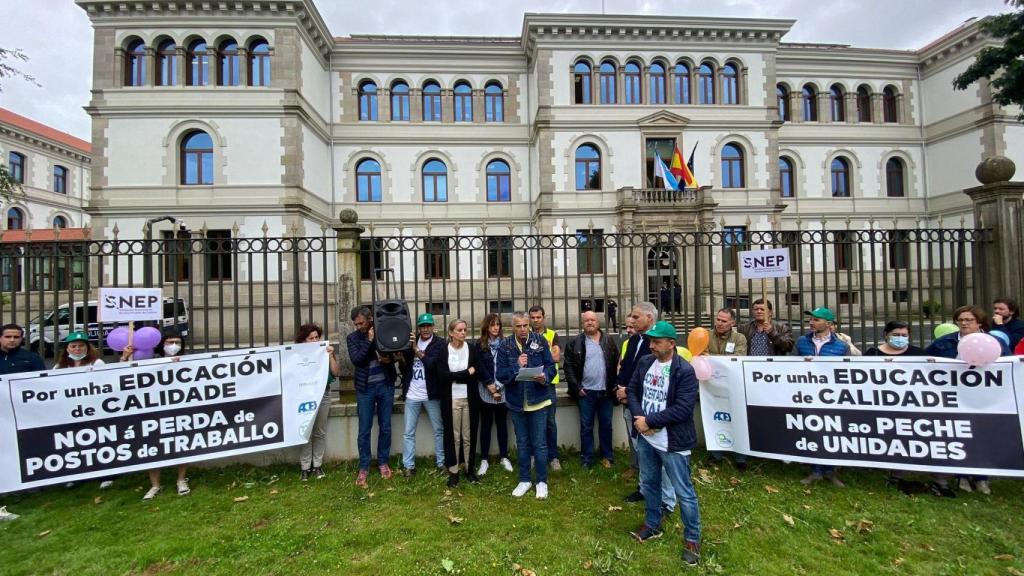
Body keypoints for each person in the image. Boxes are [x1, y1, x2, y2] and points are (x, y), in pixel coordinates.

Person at [627, 320, 702, 567]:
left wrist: (649, 420)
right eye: (650, 341)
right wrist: (640, 419)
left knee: (684, 491)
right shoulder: (646, 362)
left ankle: (692, 539)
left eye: (657, 342)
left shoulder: (684, 371)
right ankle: (652, 523)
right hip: (647, 438)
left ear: (672, 343)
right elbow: (634, 390)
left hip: (672, 441)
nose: (652, 345)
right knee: (649, 483)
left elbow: (682, 408)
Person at [925, 305, 1009, 495]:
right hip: (952, 398)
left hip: (983, 399)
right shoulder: (944, 343)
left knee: (981, 436)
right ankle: (962, 475)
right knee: (958, 436)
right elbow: (925, 362)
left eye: (968, 320)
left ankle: (981, 478)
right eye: (960, 320)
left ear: (979, 322)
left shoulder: (994, 342)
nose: (964, 323)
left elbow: (1008, 364)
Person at [617, 302, 677, 517]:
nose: (631, 321)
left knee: (661, 458)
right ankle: (644, 489)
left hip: (650, 409)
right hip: (630, 405)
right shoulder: (634, 340)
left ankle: (667, 501)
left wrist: (629, 393)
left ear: (650, 319)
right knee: (642, 452)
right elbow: (626, 369)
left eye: (636, 317)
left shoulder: (657, 347)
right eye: (631, 316)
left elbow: (655, 380)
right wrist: (620, 388)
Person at [123, 328, 192, 500]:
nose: (173, 346)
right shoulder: (149, 359)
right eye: (169, 342)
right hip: (153, 408)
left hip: (178, 407)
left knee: (181, 442)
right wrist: (125, 358)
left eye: (177, 342)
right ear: (162, 344)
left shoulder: (188, 359)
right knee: (152, 445)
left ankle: (181, 479)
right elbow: (127, 374)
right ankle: (155, 485)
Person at [496, 311, 556, 499]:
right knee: (522, 443)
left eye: (525, 325)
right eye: (518, 326)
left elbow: (551, 366)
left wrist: (544, 377)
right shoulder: (505, 346)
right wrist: (517, 366)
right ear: (512, 327)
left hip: (538, 400)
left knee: (539, 444)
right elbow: (501, 375)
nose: (522, 329)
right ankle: (524, 480)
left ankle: (541, 481)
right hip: (516, 403)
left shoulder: (539, 340)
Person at [796, 308, 849, 487]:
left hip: (831, 396)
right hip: (808, 394)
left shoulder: (841, 346)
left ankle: (829, 470)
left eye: (816, 320)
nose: (811, 323)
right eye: (810, 320)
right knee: (812, 430)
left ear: (828, 324)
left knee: (830, 431)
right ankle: (815, 470)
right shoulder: (802, 342)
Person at [347, 305, 398, 488]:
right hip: (365, 388)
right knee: (364, 429)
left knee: (385, 426)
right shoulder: (352, 338)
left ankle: (383, 462)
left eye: (361, 322)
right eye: (356, 324)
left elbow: (394, 351)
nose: (359, 326)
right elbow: (357, 360)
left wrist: (389, 360)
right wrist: (369, 341)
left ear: (369, 319)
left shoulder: (382, 330)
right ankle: (364, 466)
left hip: (385, 385)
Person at [54, 331, 111, 489]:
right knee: (76, 444)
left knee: (99, 442)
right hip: (71, 412)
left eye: (81, 346)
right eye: (74, 346)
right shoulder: (60, 366)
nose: (77, 349)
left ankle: (105, 475)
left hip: (94, 409)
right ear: (67, 349)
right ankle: (78, 475)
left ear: (87, 347)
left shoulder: (96, 363)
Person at [563, 311, 618, 469]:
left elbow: (616, 363)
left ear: (598, 322)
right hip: (586, 392)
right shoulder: (575, 342)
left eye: (592, 319)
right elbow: (569, 367)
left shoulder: (608, 340)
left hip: (606, 391)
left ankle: (607, 456)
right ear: (582, 324)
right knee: (586, 426)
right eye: (586, 320)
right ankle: (587, 458)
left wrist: (614, 386)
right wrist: (577, 387)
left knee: (606, 425)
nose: (590, 322)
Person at [399, 313, 448, 476]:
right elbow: (404, 369)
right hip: (412, 393)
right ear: (418, 328)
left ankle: (441, 463)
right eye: (422, 326)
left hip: (431, 394)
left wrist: (416, 350)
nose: (425, 329)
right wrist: (402, 356)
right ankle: (408, 465)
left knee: (439, 430)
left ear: (433, 327)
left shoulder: (440, 344)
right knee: (408, 432)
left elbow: (433, 365)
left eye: (428, 326)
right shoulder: (411, 343)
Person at [294, 323, 341, 481]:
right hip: (305, 396)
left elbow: (335, 372)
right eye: (310, 338)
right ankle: (305, 467)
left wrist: (330, 356)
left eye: (316, 337)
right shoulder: (298, 356)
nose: (315, 340)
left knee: (319, 431)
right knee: (306, 431)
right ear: (303, 341)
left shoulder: (325, 352)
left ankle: (317, 465)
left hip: (323, 395)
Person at [706, 308, 748, 470]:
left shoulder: (739, 338)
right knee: (713, 418)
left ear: (732, 323)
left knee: (737, 418)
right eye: (718, 319)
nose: (719, 323)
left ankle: (740, 456)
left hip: (734, 385)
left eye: (724, 321)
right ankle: (716, 453)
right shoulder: (706, 335)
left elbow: (737, 359)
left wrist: (712, 359)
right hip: (711, 386)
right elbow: (700, 354)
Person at [443, 319, 480, 487]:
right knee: (454, 437)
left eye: (465, 329)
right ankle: (453, 471)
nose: (463, 332)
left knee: (468, 436)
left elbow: (476, 370)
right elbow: (443, 375)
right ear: (451, 333)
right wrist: (465, 373)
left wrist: (455, 375)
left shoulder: (471, 349)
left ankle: (469, 470)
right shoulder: (444, 351)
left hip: (469, 398)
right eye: (459, 330)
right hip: (451, 398)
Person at [475, 314, 513, 476]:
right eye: (492, 325)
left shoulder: (506, 344)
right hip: (486, 389)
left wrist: (499, 386)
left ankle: (504, 457)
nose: (495, 328)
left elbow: (510, 366)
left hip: (502, 389)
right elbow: (479, 366)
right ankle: (484, 459)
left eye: (498, 325)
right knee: (486, 424)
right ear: (486, 327)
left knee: (502, 424)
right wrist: (490, 386)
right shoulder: (479, 345)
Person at [528, 305, 562, 472]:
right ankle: (534, 455)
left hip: (548, 384)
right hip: (530, 383)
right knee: (533, 422)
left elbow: (555, 357)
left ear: (543, 317)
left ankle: (553, 456)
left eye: (538, 317)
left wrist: (536, 360)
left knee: (550, 422)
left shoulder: (552, 335)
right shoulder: (525, 335)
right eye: (532, 317)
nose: (535, 320)